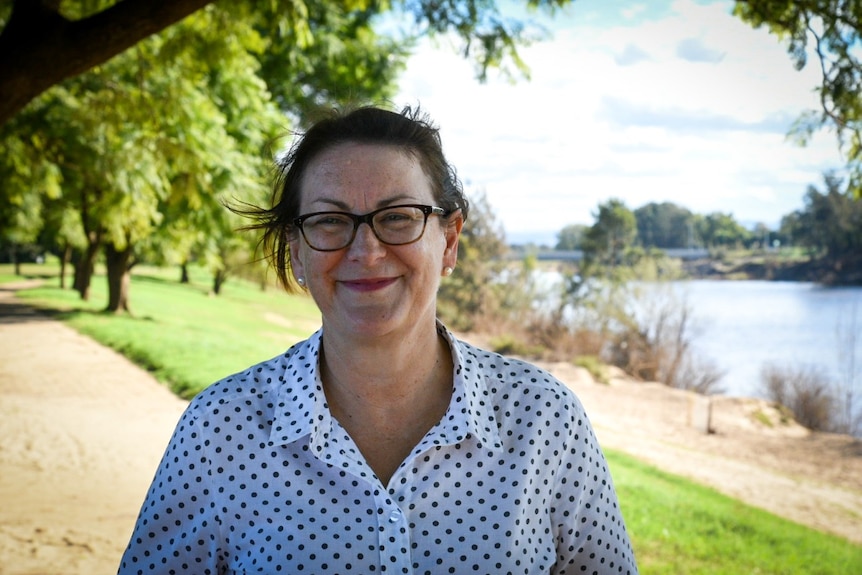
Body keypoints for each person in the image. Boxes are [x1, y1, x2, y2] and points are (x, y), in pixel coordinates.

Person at [118, 105, 638, 574]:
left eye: (397, 218)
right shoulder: (220, 430)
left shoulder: (544, 419)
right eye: (329, 221)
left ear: (449, 240)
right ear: (297, 251)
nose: (366, 251)